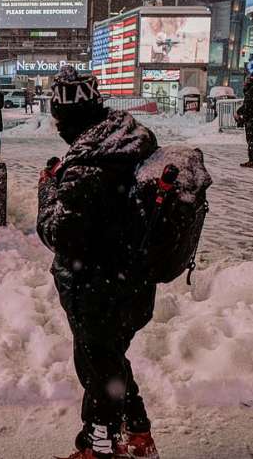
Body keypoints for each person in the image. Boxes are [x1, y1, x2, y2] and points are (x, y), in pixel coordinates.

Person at [38, 65, 160, 459]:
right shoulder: (130, 139)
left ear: (64, 116)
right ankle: (137, 436)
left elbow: (59, 233)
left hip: (98, 284)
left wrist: (47, 190)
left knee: (98, 366)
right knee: (109, 359)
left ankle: (100, 446)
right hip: (134, 277)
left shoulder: (88, 167)